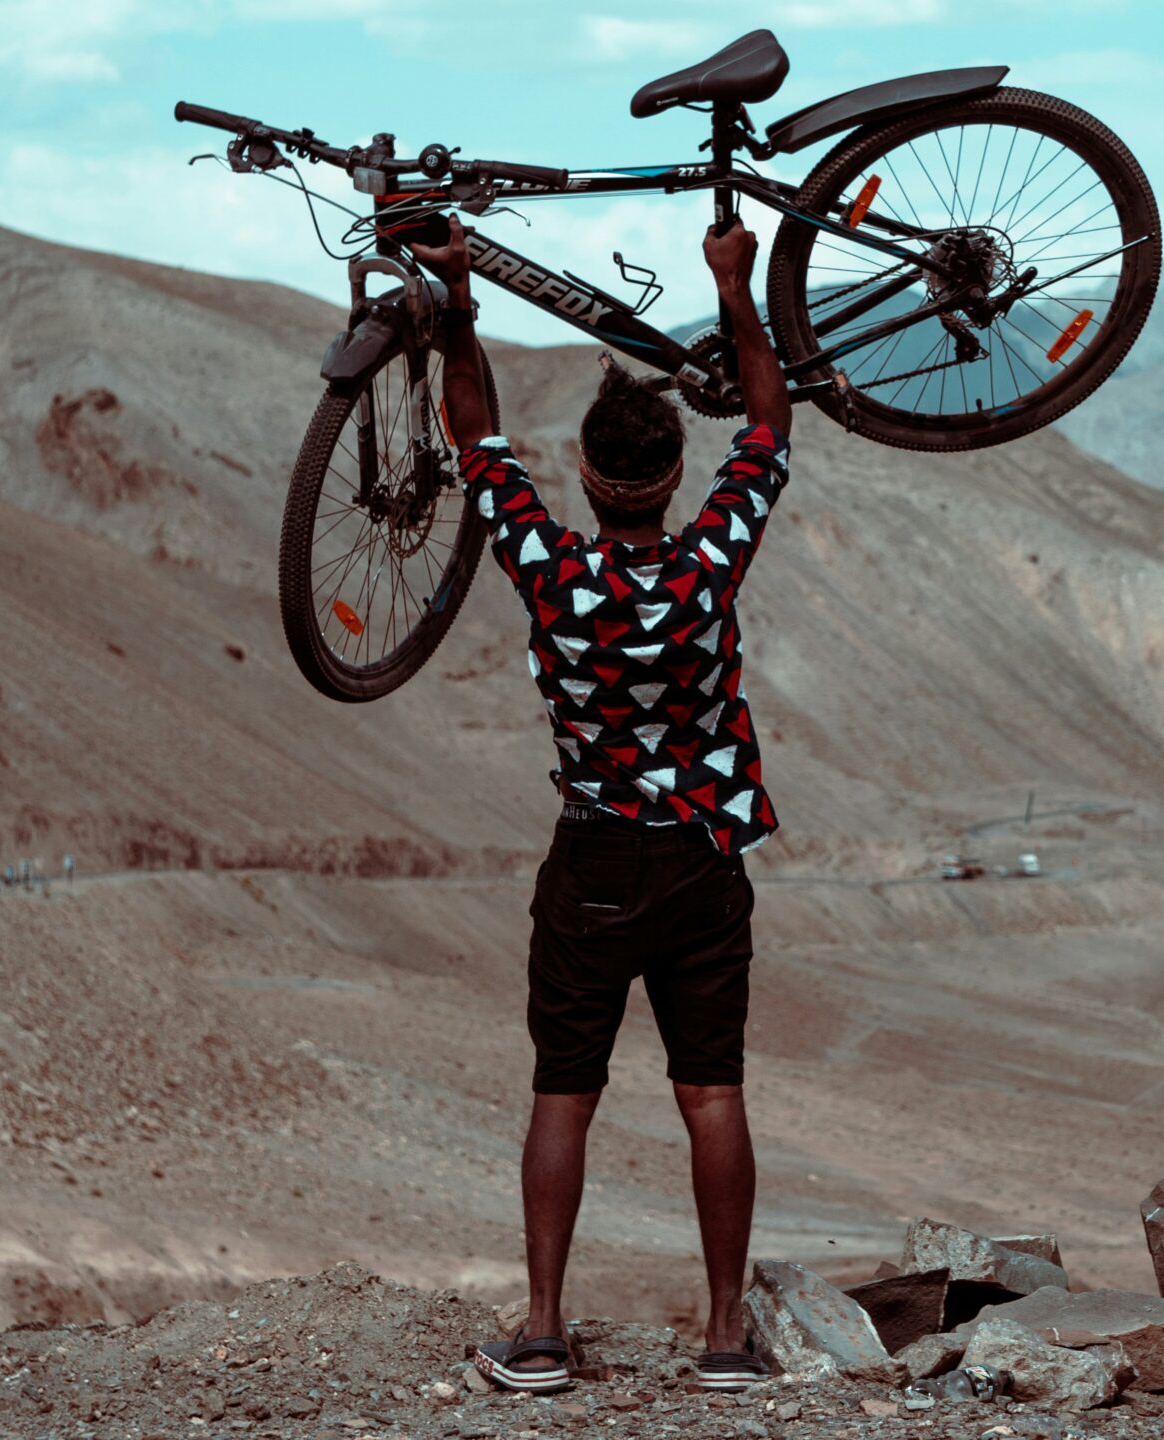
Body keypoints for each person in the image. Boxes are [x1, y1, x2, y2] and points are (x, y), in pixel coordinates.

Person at [405, 216, 791, 1395]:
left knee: (561, 1092)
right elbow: (769, 424)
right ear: (674, 476)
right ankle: (724, 1341)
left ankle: (539, 1334)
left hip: (590, 864)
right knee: (711, 1089)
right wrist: (736, 284)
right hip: (701, 860)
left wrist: (459, 297)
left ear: (584, 475)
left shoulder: (548, 564)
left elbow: (473, 435)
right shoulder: (709, 558)